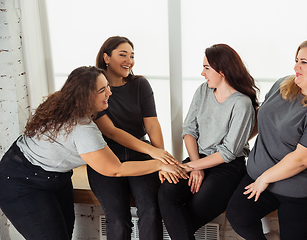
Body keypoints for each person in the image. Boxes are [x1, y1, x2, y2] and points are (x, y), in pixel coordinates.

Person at [0, 66, 189, 240]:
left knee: (64, 233)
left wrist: (156, 152)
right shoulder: (82, 128)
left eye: (107, 86)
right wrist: (158, 164)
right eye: (102, 90)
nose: (110, 93)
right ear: (85, 95)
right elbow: (115, 169)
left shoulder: (66, 101)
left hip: (56, 177)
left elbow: (114, 132)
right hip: (21, 182)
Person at [226, 38, 307, 240]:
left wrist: (264, 179)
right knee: (238, 217)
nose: (296, 67)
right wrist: (234, 143)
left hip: (301, 191)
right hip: (260, 176)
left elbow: (301, 159)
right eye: (296, 60)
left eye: (304, 61)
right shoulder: (282, 85)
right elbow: (262, 117)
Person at [158, 43, 259, 240]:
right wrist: (195, 166)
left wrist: (192, 166)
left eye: (206, 68)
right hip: (198, 157)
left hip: (228, 166)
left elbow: (228, 152)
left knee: (190, 214)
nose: (202, 73)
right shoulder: (203, 91)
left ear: (222, 70)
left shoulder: (242, 103)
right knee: (166, 194)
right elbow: (189, 130)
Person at [86, 36, 179, 240]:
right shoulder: (95, 89)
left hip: (140, 152)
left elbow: (152, 123)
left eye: (132, 55)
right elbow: (110, 131)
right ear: (106, 57)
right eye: (122, 54)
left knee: (151, 211)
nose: (129, 60)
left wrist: (159, 157)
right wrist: (153, 153)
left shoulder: (140, 84)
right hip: (106, 154)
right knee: (118, 219)